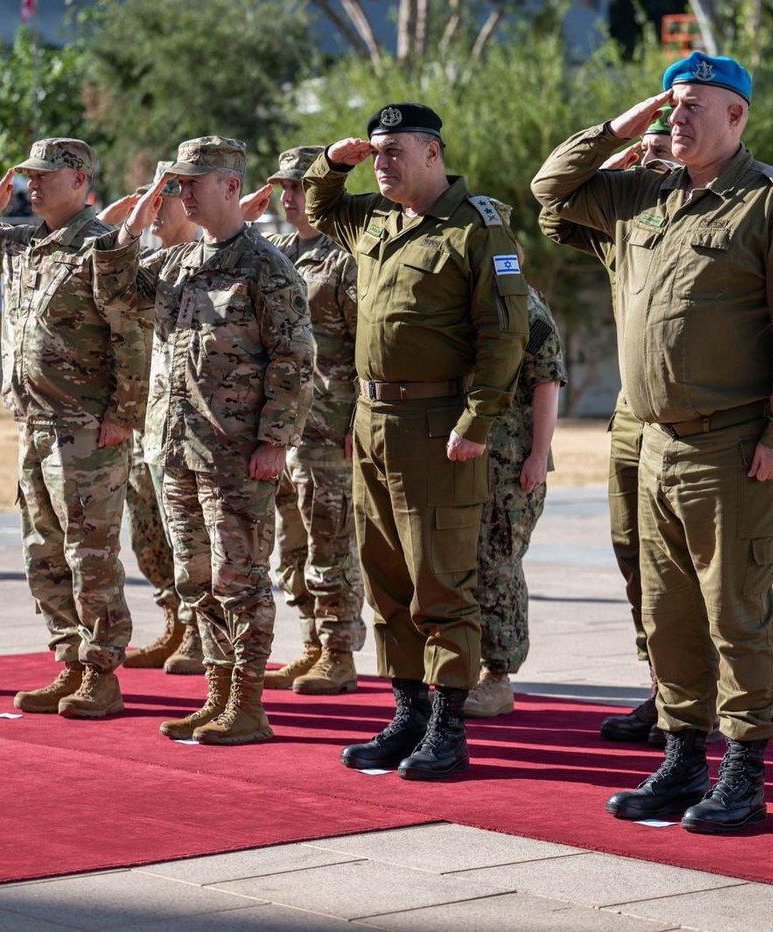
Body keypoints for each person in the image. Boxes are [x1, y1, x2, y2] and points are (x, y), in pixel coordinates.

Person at [533, 51, 773, 832]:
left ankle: (744, 769)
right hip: (654, 445)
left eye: (694, 104)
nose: (677, 116)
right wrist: (623, 126)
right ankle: (680, 755)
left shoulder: (772, 201)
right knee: (667, 616)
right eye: (671, 103)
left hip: (732, 446)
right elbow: (549, 191)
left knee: (735, 612)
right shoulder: (645, 193)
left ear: (736, 115)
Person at [305, 102, 528, 780]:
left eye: (395, 150)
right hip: (373, 425)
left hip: (439, 428)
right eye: (376, 152)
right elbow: (319, 208)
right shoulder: (373, 218)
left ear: (433, 153)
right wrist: (331, 163)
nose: (382, 162)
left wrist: (479, 419)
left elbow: (505, 334)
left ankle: (448, 724)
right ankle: (406, 711)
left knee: (443, 582)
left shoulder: (477, 227)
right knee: (387, 579)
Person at [96, 136, 313, 745]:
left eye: (193, 182)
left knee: (239, 578)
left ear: (231, 187)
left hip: (236, 454)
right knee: (194, 578)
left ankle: (247, 702)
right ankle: (217, 693)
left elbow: (295, 358)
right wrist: (138, 218)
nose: (182, 193)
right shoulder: (177, 262)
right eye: (177, 183)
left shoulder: (266, 267)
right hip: (175, 449)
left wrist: (275, 440)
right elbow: (113, 291)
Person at [0, 137, 147, 720]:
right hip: (35, 426)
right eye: (28, 176)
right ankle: (69, 663)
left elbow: (132, 337)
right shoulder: (24, 243)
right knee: (43, 554)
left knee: (91, 555)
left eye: (45, 175)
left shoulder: (102, 246)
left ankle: (102, 673)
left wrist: (122, 415)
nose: (31, 185)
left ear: (81, 180)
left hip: (86, 429)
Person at [539, 108, 677, 748]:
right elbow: (551, 206)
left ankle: (695, 702)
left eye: (662, 154)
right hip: (631, 415)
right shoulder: (626, 221)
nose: (653, 164)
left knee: (687, 568)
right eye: (646, 155)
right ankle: (662, 687)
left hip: (692, 418)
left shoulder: (723, 210)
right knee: (635, 557)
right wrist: (612, 154)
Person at [247, 145, 368, 696]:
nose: (291, 197)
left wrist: (355, 422)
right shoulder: (274, 251)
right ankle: (312, 643)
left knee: (331, 542)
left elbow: (369, 346)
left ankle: (339, 650)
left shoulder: (346, 257)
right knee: (290, 546)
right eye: (284, 188)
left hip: (328, 425)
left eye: (299, 186)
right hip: (282, 429)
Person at [99, 168, 206, 676]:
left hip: (185, 422)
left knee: (188, 531)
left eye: (169, 196)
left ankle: (200, 627)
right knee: (146, 530)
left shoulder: (201, 263)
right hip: (141, 418)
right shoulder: (146, 266)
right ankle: (175, 619)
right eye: (153, 197)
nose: (159, 207)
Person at [464, 202, 566, 719]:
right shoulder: (469, 301)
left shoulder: (526, 305)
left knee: (497, 565)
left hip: (509, 465)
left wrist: (538, 456)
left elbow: (546, 384)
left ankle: (498, 675)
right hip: (467, 458)